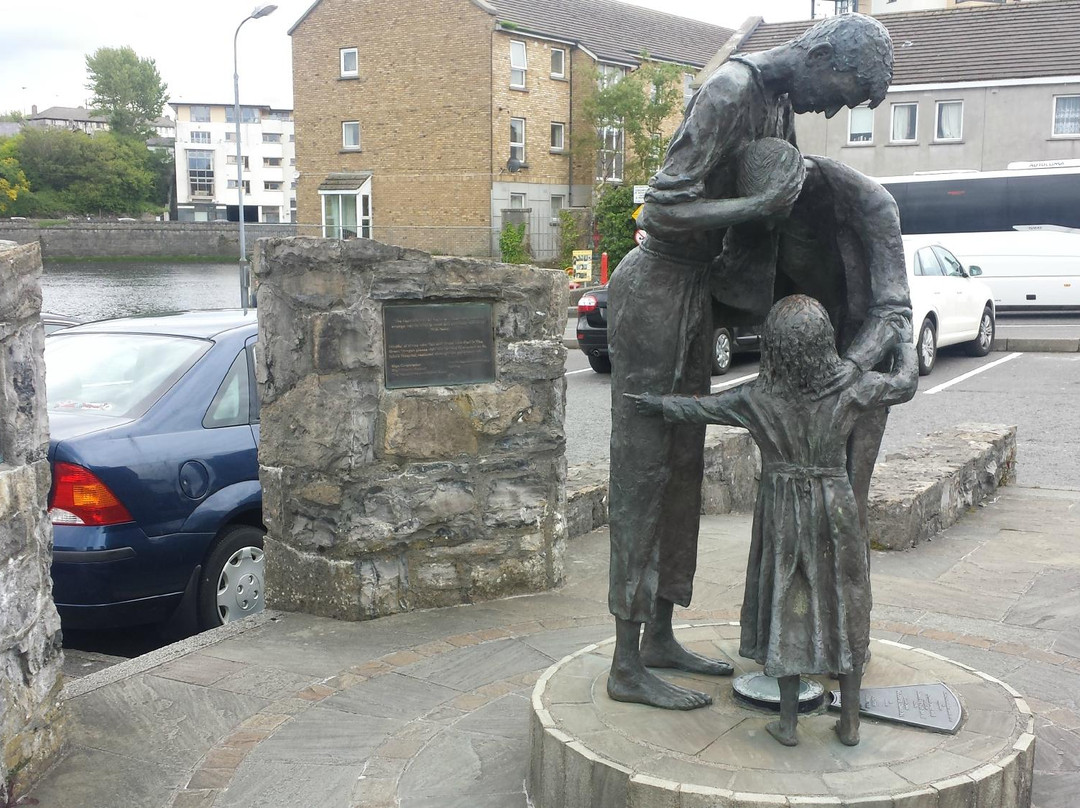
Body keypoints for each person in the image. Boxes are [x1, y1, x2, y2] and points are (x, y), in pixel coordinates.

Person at [607, 13, 894, 711]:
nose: (834, 107)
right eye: (843, 90)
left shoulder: (779, 102)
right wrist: (759, 203)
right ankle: (624, 663)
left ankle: (659, 636)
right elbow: (660, 211)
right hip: (656, 285)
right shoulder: (732, 89)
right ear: (820, 53)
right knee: (644, 468)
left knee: (682, 466)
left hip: (695, 292)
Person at [628, 295, 919, 746]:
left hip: (784, 509)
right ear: (824, 342)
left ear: (773, 348)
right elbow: (904, 384)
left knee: (788, 597)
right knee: (846, 598)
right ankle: (850, 720)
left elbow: (698, 408)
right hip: (836, 505)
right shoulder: (851, 389)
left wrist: (652, 404)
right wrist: (903, 344)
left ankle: (787, 723)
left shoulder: (756, 398)